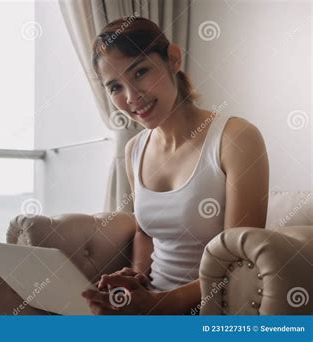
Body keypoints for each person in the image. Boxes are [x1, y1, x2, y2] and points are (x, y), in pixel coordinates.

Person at [79, 16, 269, 315]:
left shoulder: (236, 138)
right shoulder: (134, 150)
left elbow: (239, 260)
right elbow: (144, 233)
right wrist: (136, 277)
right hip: (148, 302)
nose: (131, 98)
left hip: (207, 309)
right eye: (115, 87)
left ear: (173, 59)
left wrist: (157, 305)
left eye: (140, 71)